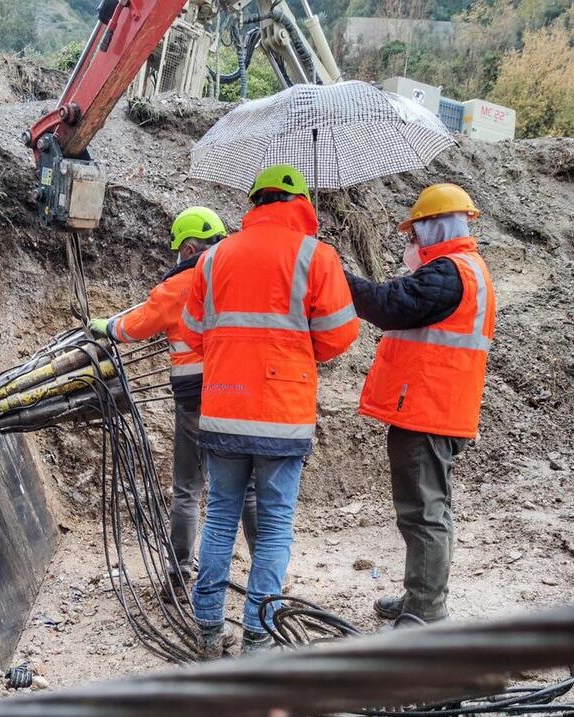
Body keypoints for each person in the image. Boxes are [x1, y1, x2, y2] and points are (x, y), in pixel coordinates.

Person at [181, 165, 358, 657]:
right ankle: (258, 635)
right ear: (300, 203)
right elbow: (339, 335)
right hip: (282, 412)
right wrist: (297, 349)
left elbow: (192, 331)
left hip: (223, 407)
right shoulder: (316, 255)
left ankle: (208, 628)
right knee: (276, 523)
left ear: (254, 203)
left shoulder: (213, 258)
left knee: (220, 517)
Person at [88, 208, 258, 604]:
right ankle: (266, 576)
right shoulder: (240, 278)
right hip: (241, 395)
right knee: (248, 490)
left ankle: (179, 577)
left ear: (189, 248)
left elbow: (137, 325)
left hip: (196, 400)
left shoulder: (182, 283)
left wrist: (107, 326)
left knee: (187, 489)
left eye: (179, 249)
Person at [346, 183, 496, 626]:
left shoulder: (449, 273)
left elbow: (388, 306)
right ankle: (420, 597)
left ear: (435, 227)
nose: (411, 241)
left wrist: (335, 274)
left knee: (423, 514)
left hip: (429, 412)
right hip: (441, 408)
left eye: (415, 233)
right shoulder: (464, 269)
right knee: (430, 510)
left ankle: (425, 613)